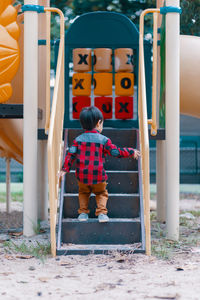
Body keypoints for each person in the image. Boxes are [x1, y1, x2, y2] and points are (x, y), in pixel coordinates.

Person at [59, 106, 140, 223]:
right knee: (101, 193)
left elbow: (70, 154)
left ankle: (82, 213)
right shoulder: (104, 140)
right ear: (99, 123)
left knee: (83, 192)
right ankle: (102, 213)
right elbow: (115, 152)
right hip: (98, 176)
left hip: (82, 176)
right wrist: (131, 151)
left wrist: (65, 169)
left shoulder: (78, 140)